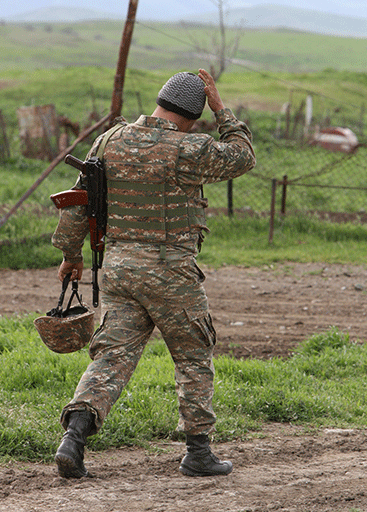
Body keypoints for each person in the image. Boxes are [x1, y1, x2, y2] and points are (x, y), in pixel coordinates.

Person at [52, 68, 256, 479]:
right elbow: (242, 156)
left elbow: (78, 200)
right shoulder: (190, 149)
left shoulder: (109, 139)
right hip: (170, 274)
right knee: (193, 355)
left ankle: (73, 438)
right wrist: (223, 110)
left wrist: (70, 255)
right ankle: (198, 453)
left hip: (119, 270)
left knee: (112, 355)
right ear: (193, 117)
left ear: (160, 101)